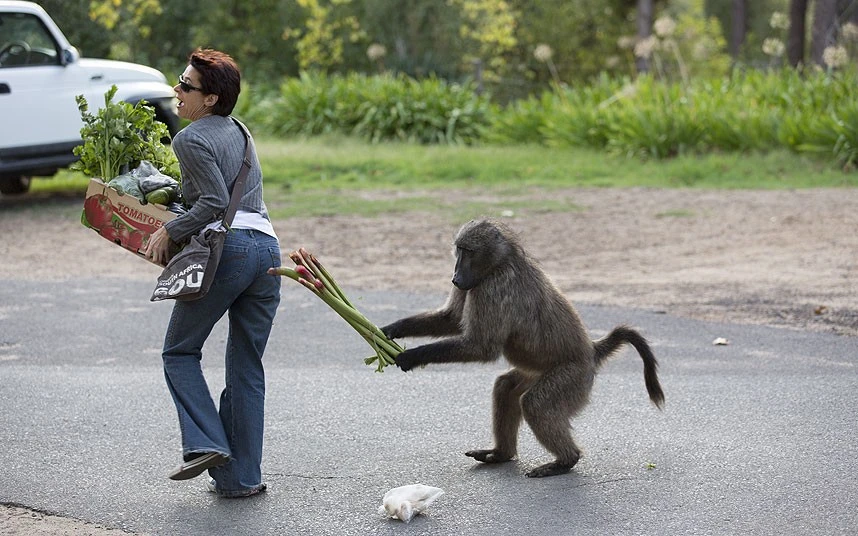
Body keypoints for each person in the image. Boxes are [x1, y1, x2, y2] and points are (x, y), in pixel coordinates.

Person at [144, 48, 281, 498]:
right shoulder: (240, 132)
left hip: (233, 251)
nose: (176, 91)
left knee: (179, 353)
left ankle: (204, 442)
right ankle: (240, 479)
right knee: (246, 366)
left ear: (211, 99)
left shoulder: (188, 138)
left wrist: (169, 231)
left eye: (186, 86)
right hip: (268, 252)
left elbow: (213, 204)